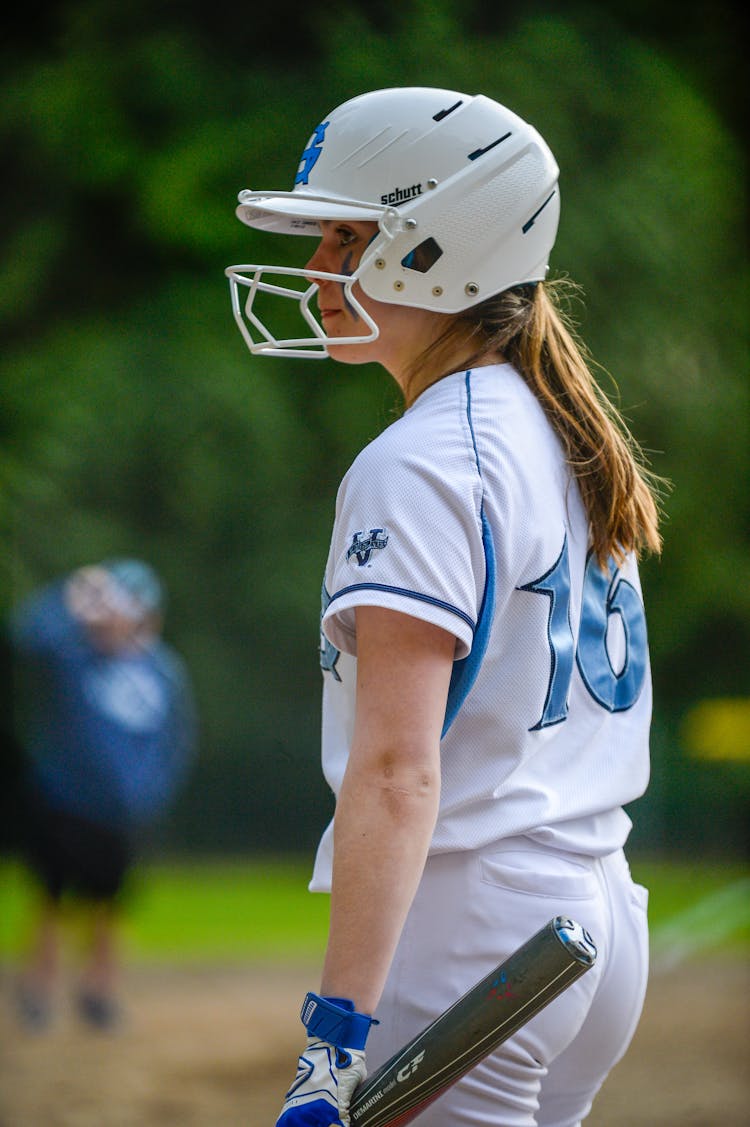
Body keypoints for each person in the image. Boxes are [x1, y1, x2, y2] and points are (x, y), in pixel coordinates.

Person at [225, 87, 663, 1126]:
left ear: (435, 245)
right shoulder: (553, 427)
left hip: (475, 916)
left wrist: (336, 1034)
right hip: (598, 909)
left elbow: (396, 768)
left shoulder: (425, 458)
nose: (319, 269)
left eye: (346, 236)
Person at [10, 559, 197, 1030]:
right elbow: (25, 632)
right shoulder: (74, 655)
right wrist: (71, 592)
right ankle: (38, 989)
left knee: (109, 902)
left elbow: (177, 737)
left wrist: (151, 792)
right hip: (64, 801)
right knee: (51, 896)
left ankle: (99, 991)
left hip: (123, 812)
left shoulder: (162, 671)